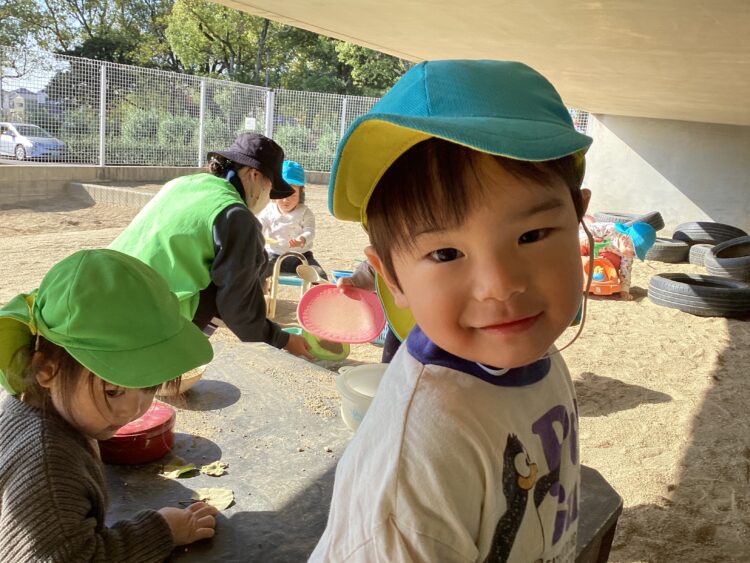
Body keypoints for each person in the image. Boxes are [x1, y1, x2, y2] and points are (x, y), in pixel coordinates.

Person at [310, 60, 594, 562]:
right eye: (445, 253)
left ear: (577, 221)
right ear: (391, 277)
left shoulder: (536, 353)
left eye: (531, 235)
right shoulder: (415, 473)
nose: (500, 286)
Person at [0, 249, 217, 561]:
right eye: (113, 391)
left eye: (149, 385)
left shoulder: (35, 405)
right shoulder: (51, 467)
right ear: (47, 370)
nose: (135, 410)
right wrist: (161, 531)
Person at [109, 133, 311, 359]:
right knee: (226, 292)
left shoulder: (180, 185)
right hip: (145, 321)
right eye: (270, 188)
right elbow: (239, 311)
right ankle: (170, 358)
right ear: (254, 175)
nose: (268, 198)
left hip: (105, 292)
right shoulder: (235, 214)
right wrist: (283, 339)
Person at [258, 160, 329, 284]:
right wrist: (257, 235)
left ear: (301, 191)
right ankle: (259, 293)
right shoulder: (268, 210)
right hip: (273, 256)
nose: (286, 200)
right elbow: (259, 226)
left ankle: (321, 295)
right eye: (282, 194)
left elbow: (310, 231)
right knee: (255, 273)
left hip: (301, 257)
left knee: (320, 276)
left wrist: (302, 239)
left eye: (292, 195)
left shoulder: (305, 212)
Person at [335, 260, 400, 362]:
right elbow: (381, 260)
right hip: (400, 325)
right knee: (390, 365)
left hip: (422, 327)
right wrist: (357, 280)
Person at [579, 217, 656, 300]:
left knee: (615, 260)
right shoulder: (610, 229)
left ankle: (603, 281)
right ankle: (576, 275)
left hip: (602, 257)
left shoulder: (627, 254)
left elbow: (626, 271)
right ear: (624, 240)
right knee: (580, 245)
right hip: (587, 248)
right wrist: (586, 238)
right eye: (634, 252)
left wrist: (624, 290)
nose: (633, 256)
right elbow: (587, 228)